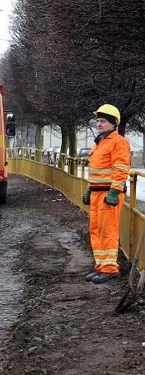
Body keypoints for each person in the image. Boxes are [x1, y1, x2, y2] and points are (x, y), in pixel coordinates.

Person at [82, 104, 131, 284]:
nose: (98, 124)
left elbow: (120, 169)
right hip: (97, 193)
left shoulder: (119, 142)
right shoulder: (100, 141)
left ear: (113, 123)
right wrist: (89, 188)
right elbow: (97, 170)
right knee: (96, 230)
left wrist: (114, 192)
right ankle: (101, 266)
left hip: (108, 195)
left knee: (107, 231)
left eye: (103, 121)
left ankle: (110, 269)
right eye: (98, 121)